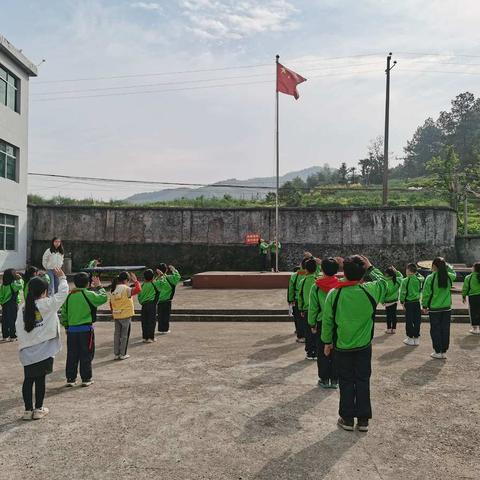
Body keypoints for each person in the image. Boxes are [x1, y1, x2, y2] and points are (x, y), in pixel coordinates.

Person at [322, 255, 387, 433]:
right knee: (363, 380)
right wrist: (371, 266)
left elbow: (327, 321)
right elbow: (383, 281)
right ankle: (364, 420)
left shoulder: (334, 294)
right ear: (363, 274)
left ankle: (348, 418)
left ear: (344, 273)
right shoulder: (371, 290)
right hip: (364, 345)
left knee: (346, 381)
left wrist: (327, 342)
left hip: (342, 346)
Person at [16, 269, 68, 420]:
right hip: (44, 350)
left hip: (27, 351)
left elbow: (18, 327)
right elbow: (63, 294)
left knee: (28, 379)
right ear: (45, 291)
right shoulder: (47, 304)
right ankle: (38, 409)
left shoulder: (23, 308)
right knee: (40, 380)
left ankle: (27, 411)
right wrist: (63, 278)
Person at [60, 272, 108, 387]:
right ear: (87, 283)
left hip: (71, 331)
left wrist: (66, 326)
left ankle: (71, 379)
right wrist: (99, 286)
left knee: (72, 355)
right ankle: (86, 378)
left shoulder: (70, 295)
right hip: (85, 330)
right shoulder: (88, 294)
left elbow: (64, 313)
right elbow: (103, 298)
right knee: (86, 354)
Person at [308, 257, 341, 388]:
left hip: (322, 322)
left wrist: (312, 323)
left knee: (322, 351)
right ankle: (335, 379)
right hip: (338, 322)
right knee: (336, 350)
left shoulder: (316, 286)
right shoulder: (340, 285)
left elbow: (313, 308)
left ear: (321, 270)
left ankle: (324, 378)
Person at [422, 257, 456, 360]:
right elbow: (453, 272)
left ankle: (437, 351)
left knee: (435, 330)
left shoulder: (430, 278)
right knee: (445, 329)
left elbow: (426, 294)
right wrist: (448, 267)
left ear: (434, 266)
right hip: (446, 308)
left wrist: (424, 306)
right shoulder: (449, 276)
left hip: (434, 308)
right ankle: (444, 351)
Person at [110, 271, 141, 360]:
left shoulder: (113, 290)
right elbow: (138, 290)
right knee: (124, 335)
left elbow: (111, 304)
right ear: (126, 280)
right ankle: (123, 354)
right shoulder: (126, 289)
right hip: (126, 315)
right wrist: (136, 281)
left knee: (117, 335)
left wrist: (113, 313)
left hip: (117, 315)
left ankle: (116, 353)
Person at [297, 258, 318, 360]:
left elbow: (299, 296)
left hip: (306, 310)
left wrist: (300, 309)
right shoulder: (317, 280)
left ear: (305, 269)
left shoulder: (303, 281)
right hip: (317, 310)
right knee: (317, 331)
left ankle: (310, 352)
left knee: (308, 332)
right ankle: (317, 351)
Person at [400, 264, 424, 346]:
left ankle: (410, 338)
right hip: (417, 302)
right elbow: (422, 277)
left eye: (407, 270)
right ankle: (416, 338)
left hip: (409, 303)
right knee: (417, 320)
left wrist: (401, 301)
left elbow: (403, 292)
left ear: (409, 271)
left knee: (409, 321)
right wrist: (416, 273)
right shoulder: (419, 279)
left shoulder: (405, 280)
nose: (405, 271)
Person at [156, 264, 181, 334]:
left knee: (160, 315)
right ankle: (165, 329)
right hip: (167, 300)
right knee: (166, 315)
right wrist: (173, 270)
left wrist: (159, 275)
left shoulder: (157, 279)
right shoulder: (170, 278)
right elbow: (178, 277)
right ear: (166, 270)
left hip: (159, 301)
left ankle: (160, 329)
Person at [0, 268, 24, 342]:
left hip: (4, 304)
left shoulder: (3, 286)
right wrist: (20, 279)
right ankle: (13, 336)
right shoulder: (13, 284)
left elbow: (1, 296)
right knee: (13, 320)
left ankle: (5, 336)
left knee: (5, 320)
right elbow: (21, 286)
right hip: (12, 304)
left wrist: (2, 303)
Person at [138, 269, 161, 343]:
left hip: (144, 305)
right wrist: (161, 275)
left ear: (144, 277)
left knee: (144, 321)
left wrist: (141, 302)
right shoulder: (155, 283)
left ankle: (145, 337)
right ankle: (151, 337)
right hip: (152, 305)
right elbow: (160, 283)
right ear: (152, 277)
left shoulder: (143, 285)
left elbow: (139, 296)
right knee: (151, 321)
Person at [287, 259, 307, 343]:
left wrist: (290, 299)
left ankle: (301, 336)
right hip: (307, 300)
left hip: (297, 299)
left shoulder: (295, 275)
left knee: (298, 319)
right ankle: (307, 335)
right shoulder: (312, 275)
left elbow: (291, 289)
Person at [383, 266, 403, 334]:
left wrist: (382, 301)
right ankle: (394, 329)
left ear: (387, 274)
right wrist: (396, 271)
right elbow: (401, 276)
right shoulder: (397, 280)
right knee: (394, 315)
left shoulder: (385, 281)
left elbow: (383, 292)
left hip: (387, 301)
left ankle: (388, 329)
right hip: (394, 301)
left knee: (388, 315)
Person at [462, 262, 480, 335]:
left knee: (473, 312)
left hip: (473, 297)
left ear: (474, 268)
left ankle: (475, 329)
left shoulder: (469, 277)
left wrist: (464, 296)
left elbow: (465, 288)